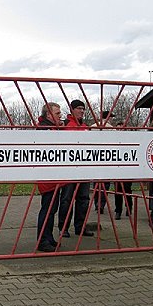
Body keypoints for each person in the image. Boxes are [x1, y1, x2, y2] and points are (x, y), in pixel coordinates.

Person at [57, 99, 93, 237]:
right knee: (66, 199)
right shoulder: (65, 125)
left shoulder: (85, 126)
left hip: (83, 169)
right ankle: (63, 228)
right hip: (68, 170)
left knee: (83, 199)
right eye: (79, 108)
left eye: (83, 109)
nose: (82, 111)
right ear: (72, 109)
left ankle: (80, 227)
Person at [36, 102, 65, 252]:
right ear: (49, 115)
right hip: (47, 177)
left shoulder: (52, 128)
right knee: (47, 209)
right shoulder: (44, 129)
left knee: (52, 208)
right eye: (58, 113)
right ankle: (42, 240)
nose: (61, 115)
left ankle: (48, 237)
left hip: (53, 176)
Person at [91, 111, 114, 214]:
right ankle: (101, 204)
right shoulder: (112, 128)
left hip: (94, 159)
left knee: (96, 184)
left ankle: (96, 203)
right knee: (105, 185)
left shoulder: (92, 127)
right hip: (106, 160)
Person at [113, 119, 132, 220]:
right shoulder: (114, 139)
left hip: (127, 170)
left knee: (127, 190)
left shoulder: (129, 139)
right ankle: (118, 211)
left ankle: (129, 208)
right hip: (117, 170)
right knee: (118, 191)